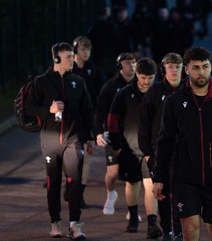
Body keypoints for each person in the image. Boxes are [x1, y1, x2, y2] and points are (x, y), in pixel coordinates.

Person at [152, 47, 212, 241]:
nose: (201, 72)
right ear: (186, 70)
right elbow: (165, 141)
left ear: (211, 67)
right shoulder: (174, 102)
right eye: (195, 67)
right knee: (190, 230)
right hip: (185, 178)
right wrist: (159, 176)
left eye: (205, 67)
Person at [26, 42, 94, 239]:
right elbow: (29, 108)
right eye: (69, 57)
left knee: (74, 180)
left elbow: (87, 110)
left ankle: (74, 225)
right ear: (56, 59)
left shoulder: (78, 82)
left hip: (73, 139)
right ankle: (55, 223)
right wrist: (49, 109)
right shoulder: (40, 82)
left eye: (73, 56)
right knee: (53, 181)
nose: (73, 60)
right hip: (50, 141)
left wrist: (90, 136)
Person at [108, 57, 163, 239]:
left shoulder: (159, 94)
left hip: (151, 150)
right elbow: (113, 120)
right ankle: (132, 217)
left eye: (151, 77)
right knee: (132, 184)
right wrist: (116, 146)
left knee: (150, 185)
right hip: (129, 148)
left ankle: (152, 223)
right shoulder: (124, 93)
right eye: (143, 77)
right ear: (137, 74)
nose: (147, 81)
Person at [138, 53, 185, 241]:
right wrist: (147, 153)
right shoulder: (154, 93)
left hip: (184, 151)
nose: (174, 70)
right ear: (163, 69)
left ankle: (180, 231)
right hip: (159, 151)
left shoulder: (189, 90)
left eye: (177, 66)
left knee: (181, 192)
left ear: (183, 69)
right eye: (170, 66)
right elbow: (144, 124)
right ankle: (168, 231)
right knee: (162, 193)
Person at [94, 52, 136, 216]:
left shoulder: (140, 84)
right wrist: (98, 133)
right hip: (113, 133)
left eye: (133, 62)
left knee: (133, 176)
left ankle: (131, 210)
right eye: (127, 63)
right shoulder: (110, 86)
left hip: (133, 135)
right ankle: (111, 193)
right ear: (119, 66)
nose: (131, 65)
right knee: (112, 172)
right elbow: (100, 111)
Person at [67, 35, 106, 209]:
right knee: (67, 158)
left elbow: (103, 93)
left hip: (87, 120)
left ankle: (78, 194)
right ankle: (69, 186)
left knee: (85, 158)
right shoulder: (67, 70)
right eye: (83, 49)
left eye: (88, 49)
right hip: (68, 122)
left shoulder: (95, 70)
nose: (86, 53)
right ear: (75, 51)